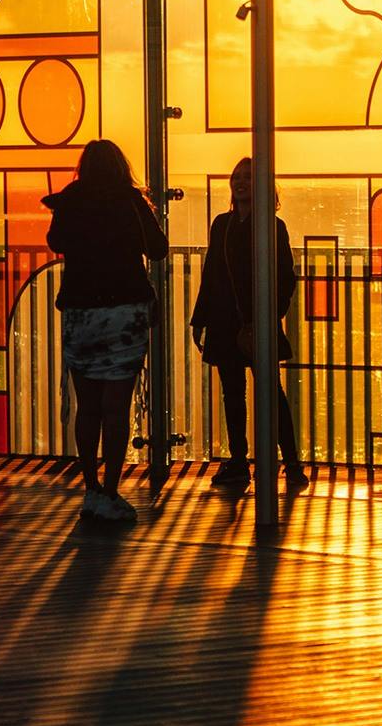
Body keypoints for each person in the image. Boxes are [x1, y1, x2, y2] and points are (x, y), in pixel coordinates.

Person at [44, 139, 169, 525]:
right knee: (116, 407)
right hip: (124, 314)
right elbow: (158, 248)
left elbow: (55, 242)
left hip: (81, 314)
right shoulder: (130, 201)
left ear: (84, 167)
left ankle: (91, 488)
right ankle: (111, 492)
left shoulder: (71, 200)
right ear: (120, 166)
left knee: (88, 407)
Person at [189, 157, 309, 492]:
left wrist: (268, 316)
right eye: (237, 177)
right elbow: (212, 273)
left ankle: (280, 461)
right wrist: (200, 318)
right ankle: (252, 461)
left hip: (248, 320)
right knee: (240, 392)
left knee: (264, 392)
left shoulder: (266, 226)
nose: (240, 182)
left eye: (247, 177)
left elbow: (284, 277)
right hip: (233, 320)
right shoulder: (230, 224)